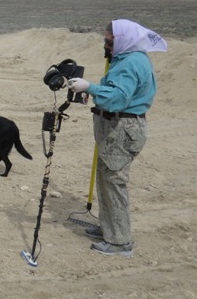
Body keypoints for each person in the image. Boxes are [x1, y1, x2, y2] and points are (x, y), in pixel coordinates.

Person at [68, 19, 167, 256]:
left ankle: (120, 242)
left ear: (123, 40)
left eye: (109, 42)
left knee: (114, 183)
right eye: (106, 41)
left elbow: (119, 98)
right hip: (115, 128)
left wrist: (90, 87)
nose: (107, 46)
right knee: (105, 179)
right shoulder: (127, 58)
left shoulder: (130, 63)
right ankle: (109, 228)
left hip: (121, 129)